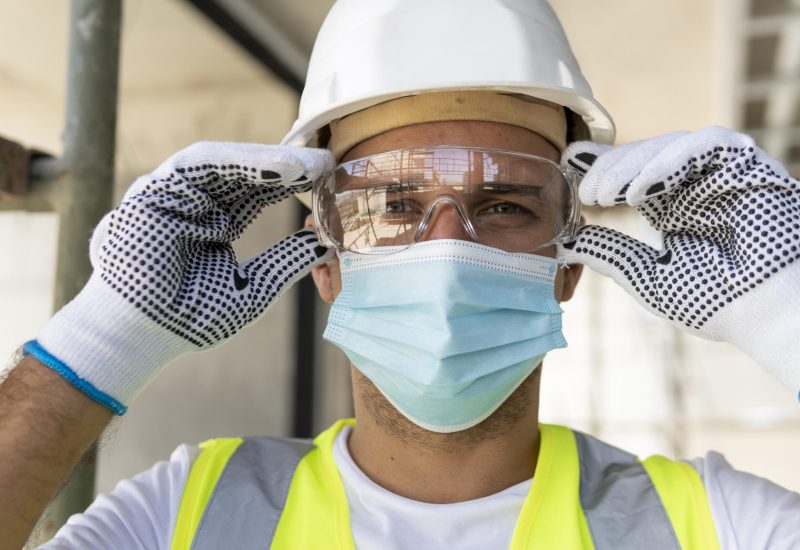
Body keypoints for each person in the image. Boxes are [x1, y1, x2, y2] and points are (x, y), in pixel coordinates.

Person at [1, 0, 799, 548]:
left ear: (568, 266)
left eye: (506, 205)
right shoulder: (186, 514)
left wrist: (786, 316)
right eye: (392, 201)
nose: (444, 248)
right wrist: (107, 334)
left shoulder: (712, 524)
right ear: (325, 260)